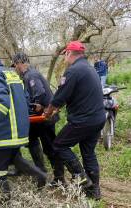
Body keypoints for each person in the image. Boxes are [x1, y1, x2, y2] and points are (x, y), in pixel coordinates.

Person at [0, 46, 47, 198]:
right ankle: (40, 175)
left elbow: (1, 104)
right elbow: (24, 98)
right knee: (14, 159)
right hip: (20, 126)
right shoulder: (9, 72)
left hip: (6, 129)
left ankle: (5, 200)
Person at [44, 41, 106, 200]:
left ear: (69, 53)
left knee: (59, 145)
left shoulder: (73, 71)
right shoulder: (89, 68)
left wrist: (49, 111)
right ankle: (94, 191)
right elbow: (78, 93)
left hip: (83, 120)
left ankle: (82, 178)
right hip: (98, 118)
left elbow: (60, 95)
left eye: (65, 54)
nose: (64, 57)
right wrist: (60, 106)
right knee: (88, 153)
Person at [12, 52, 65, 186]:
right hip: (38, 119)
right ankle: (41, 172)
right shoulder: (27, 75)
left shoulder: (31, 75)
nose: (15, 69)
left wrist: (36, 104)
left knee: (50, 147)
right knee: (31, 140)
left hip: (45, 118)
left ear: (20, 63)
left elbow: (40, 94)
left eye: (15, 65)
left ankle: (59, 178)